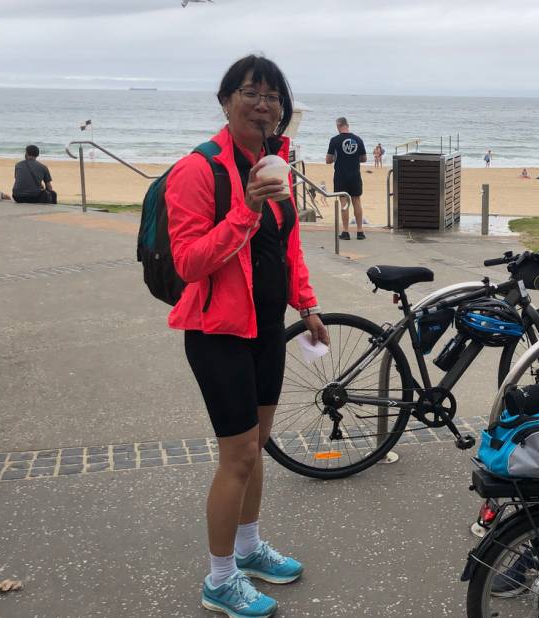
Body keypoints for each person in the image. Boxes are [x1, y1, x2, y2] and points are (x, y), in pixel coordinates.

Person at [165, 54, 329, 618]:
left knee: (255, 449)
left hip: (265, 329)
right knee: (236, 457)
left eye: (273, 96)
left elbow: (288, 247)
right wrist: (245, 210)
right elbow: (188, 262)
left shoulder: (272, 161)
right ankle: (219, 579)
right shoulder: (198, 170)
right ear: (226, 99)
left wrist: (305, 303)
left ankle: (249, 548)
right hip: (217, 332)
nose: (264, 104)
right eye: (251, 93)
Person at [326, 117, 367, 240]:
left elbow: (328, 160)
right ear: (347, 125)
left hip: (341, 176)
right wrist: (353, 158)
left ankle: (345, 231)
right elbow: (364, 158)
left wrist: (337, 158)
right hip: (355, 175)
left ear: (339, 125)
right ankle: (360, 231)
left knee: (344, 202)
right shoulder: (358, 139)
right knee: (356, 201)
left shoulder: (335, 140)